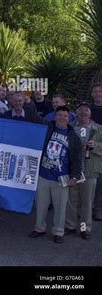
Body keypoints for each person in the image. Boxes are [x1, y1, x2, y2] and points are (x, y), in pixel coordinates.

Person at [29, 106, 83, 244]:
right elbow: (34, 116)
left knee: (60, 208)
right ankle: (39, 228)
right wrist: (29, 102)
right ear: (55, 116)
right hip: (43, 175)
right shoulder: (47, 128)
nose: (62, 118)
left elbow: (77, 158)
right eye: (59, 115)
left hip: (61, 178)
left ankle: (59, 231)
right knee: (41, 205)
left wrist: (74, 176)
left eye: (65, 115)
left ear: (69, 118)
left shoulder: (73, 137)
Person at [65, 102, 102, 239]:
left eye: (86, 110)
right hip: (72, 170)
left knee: (87, 202)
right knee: (71, 200)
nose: (83, 113)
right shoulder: (69, 128)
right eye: (80, 111)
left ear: (90, 113)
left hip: (90, 170)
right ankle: (70, 225)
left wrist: (96, 146)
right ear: (77, 113)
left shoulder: (99, 129)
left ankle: (84, 229)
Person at [89, 83, 102, 221]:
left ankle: (98, 209)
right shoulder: (87, 109)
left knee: (100, 182)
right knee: (88, 179)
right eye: (95, 91)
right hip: (87, 146)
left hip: (100, 147)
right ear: (92, 94)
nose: (98, 94)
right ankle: (86, 208)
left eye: (100, 91)